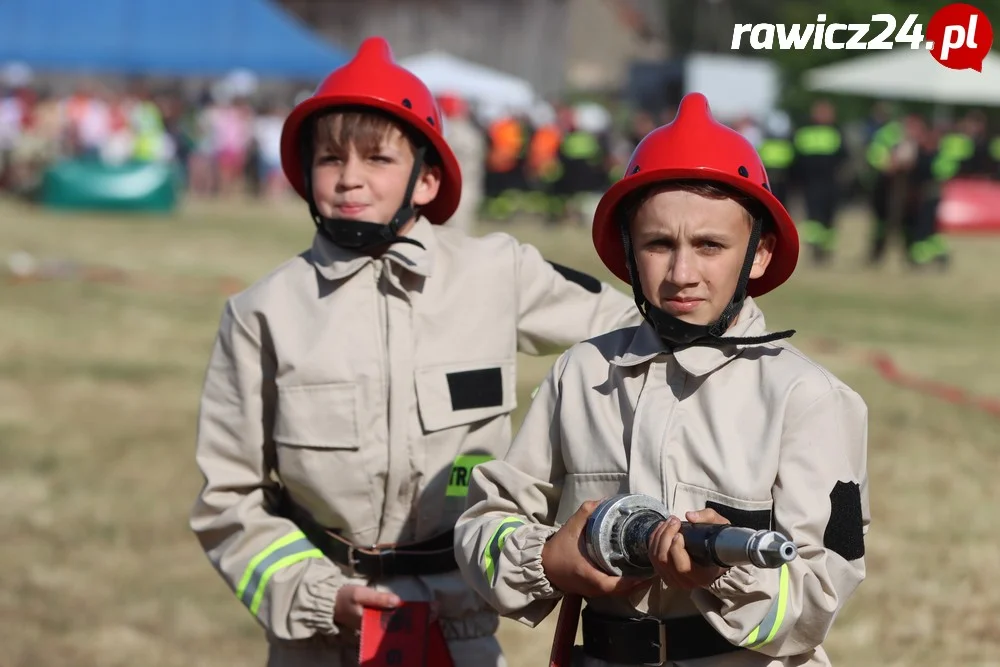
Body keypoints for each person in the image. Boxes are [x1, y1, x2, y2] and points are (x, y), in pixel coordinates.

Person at [188, 37, 642, 667]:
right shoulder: (262, 313)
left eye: (377, 158)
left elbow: (635, 330)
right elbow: (228, 499)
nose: (349, 177)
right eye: (329, 158)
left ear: (428, 179)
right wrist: (322, 597)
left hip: (463, 626)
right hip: (319, 631)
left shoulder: (495, 272)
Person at [454, 93, 870, 666]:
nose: (681, 273)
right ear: (628, 250)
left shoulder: (807, 399)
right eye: (657, 244)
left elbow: (819, 597)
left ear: (759, 255)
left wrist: (722, 575)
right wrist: (548, 559)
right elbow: (484, 523)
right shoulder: (580, 375)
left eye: (709, 246)